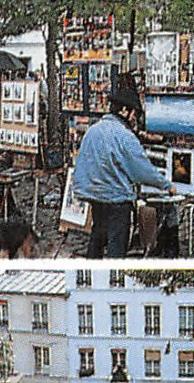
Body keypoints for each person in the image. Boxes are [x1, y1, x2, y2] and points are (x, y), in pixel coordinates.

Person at [72, 84, 176, 258]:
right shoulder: (124, 135)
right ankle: (114, 278)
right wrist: (166, 185)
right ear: (125, 111)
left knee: (97, 235)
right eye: (134, 113)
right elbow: (141, 171)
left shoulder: (93, 130)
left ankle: (91, 273)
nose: (135, 118)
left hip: (94, 195)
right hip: (115, 199)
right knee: (117, 242)